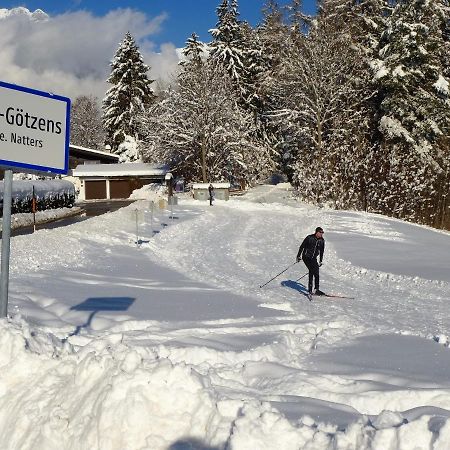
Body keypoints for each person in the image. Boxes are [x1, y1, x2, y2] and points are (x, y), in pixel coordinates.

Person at [296, 227, 325, 295]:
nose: (321, 234)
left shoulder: (322, 241)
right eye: (320, 232)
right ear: (316, 232)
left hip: (313, 258)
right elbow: (302, 246)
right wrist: (298, 256)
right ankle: (309, 289)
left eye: (322, 233)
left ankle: (316, 289)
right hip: (306, 257)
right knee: (311, 270)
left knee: (317, 272)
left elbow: (321, 251)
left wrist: (320, 260)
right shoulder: (309, 238)